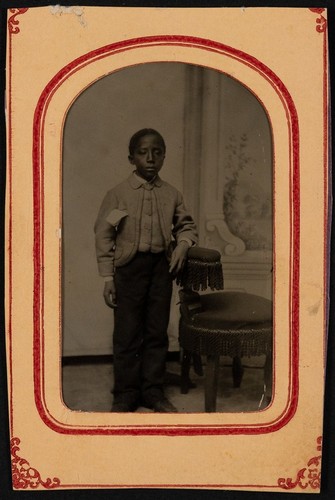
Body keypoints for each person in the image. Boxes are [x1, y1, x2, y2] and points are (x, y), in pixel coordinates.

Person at [94, 128, 198, 413]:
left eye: (157, 151)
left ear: (164, 156)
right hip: (128, 270)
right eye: (143, 152)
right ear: (131, 158)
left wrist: (183, 245)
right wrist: (108, 277)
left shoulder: (172, 194)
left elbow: (187, 226)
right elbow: (104, 235)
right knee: (127, 333)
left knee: (156, 331)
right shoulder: (118, 195)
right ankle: (126, 393)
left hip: (160, 271)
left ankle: (153, 391)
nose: (150, 158)